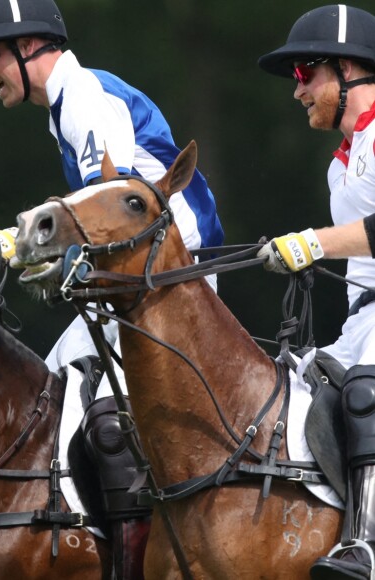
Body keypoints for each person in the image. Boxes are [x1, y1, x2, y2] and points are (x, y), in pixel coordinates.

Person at [0, 1, 224, 577]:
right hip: (144, 276)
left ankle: (124, 558)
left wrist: (18, 246)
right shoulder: (68, 106)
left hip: (167, 278)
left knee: (80, 414)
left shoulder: (87, 98)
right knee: (54, 395)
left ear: (29, 45)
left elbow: (109, 210)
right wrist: (9, 244)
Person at [257, 5, 375, 579]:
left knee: (364, 394)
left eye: (306, 73)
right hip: (360, 321)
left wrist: (312, 244)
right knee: (283, 387)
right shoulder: (340, 166)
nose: (297, 91)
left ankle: (367, 542)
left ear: (349, 68)